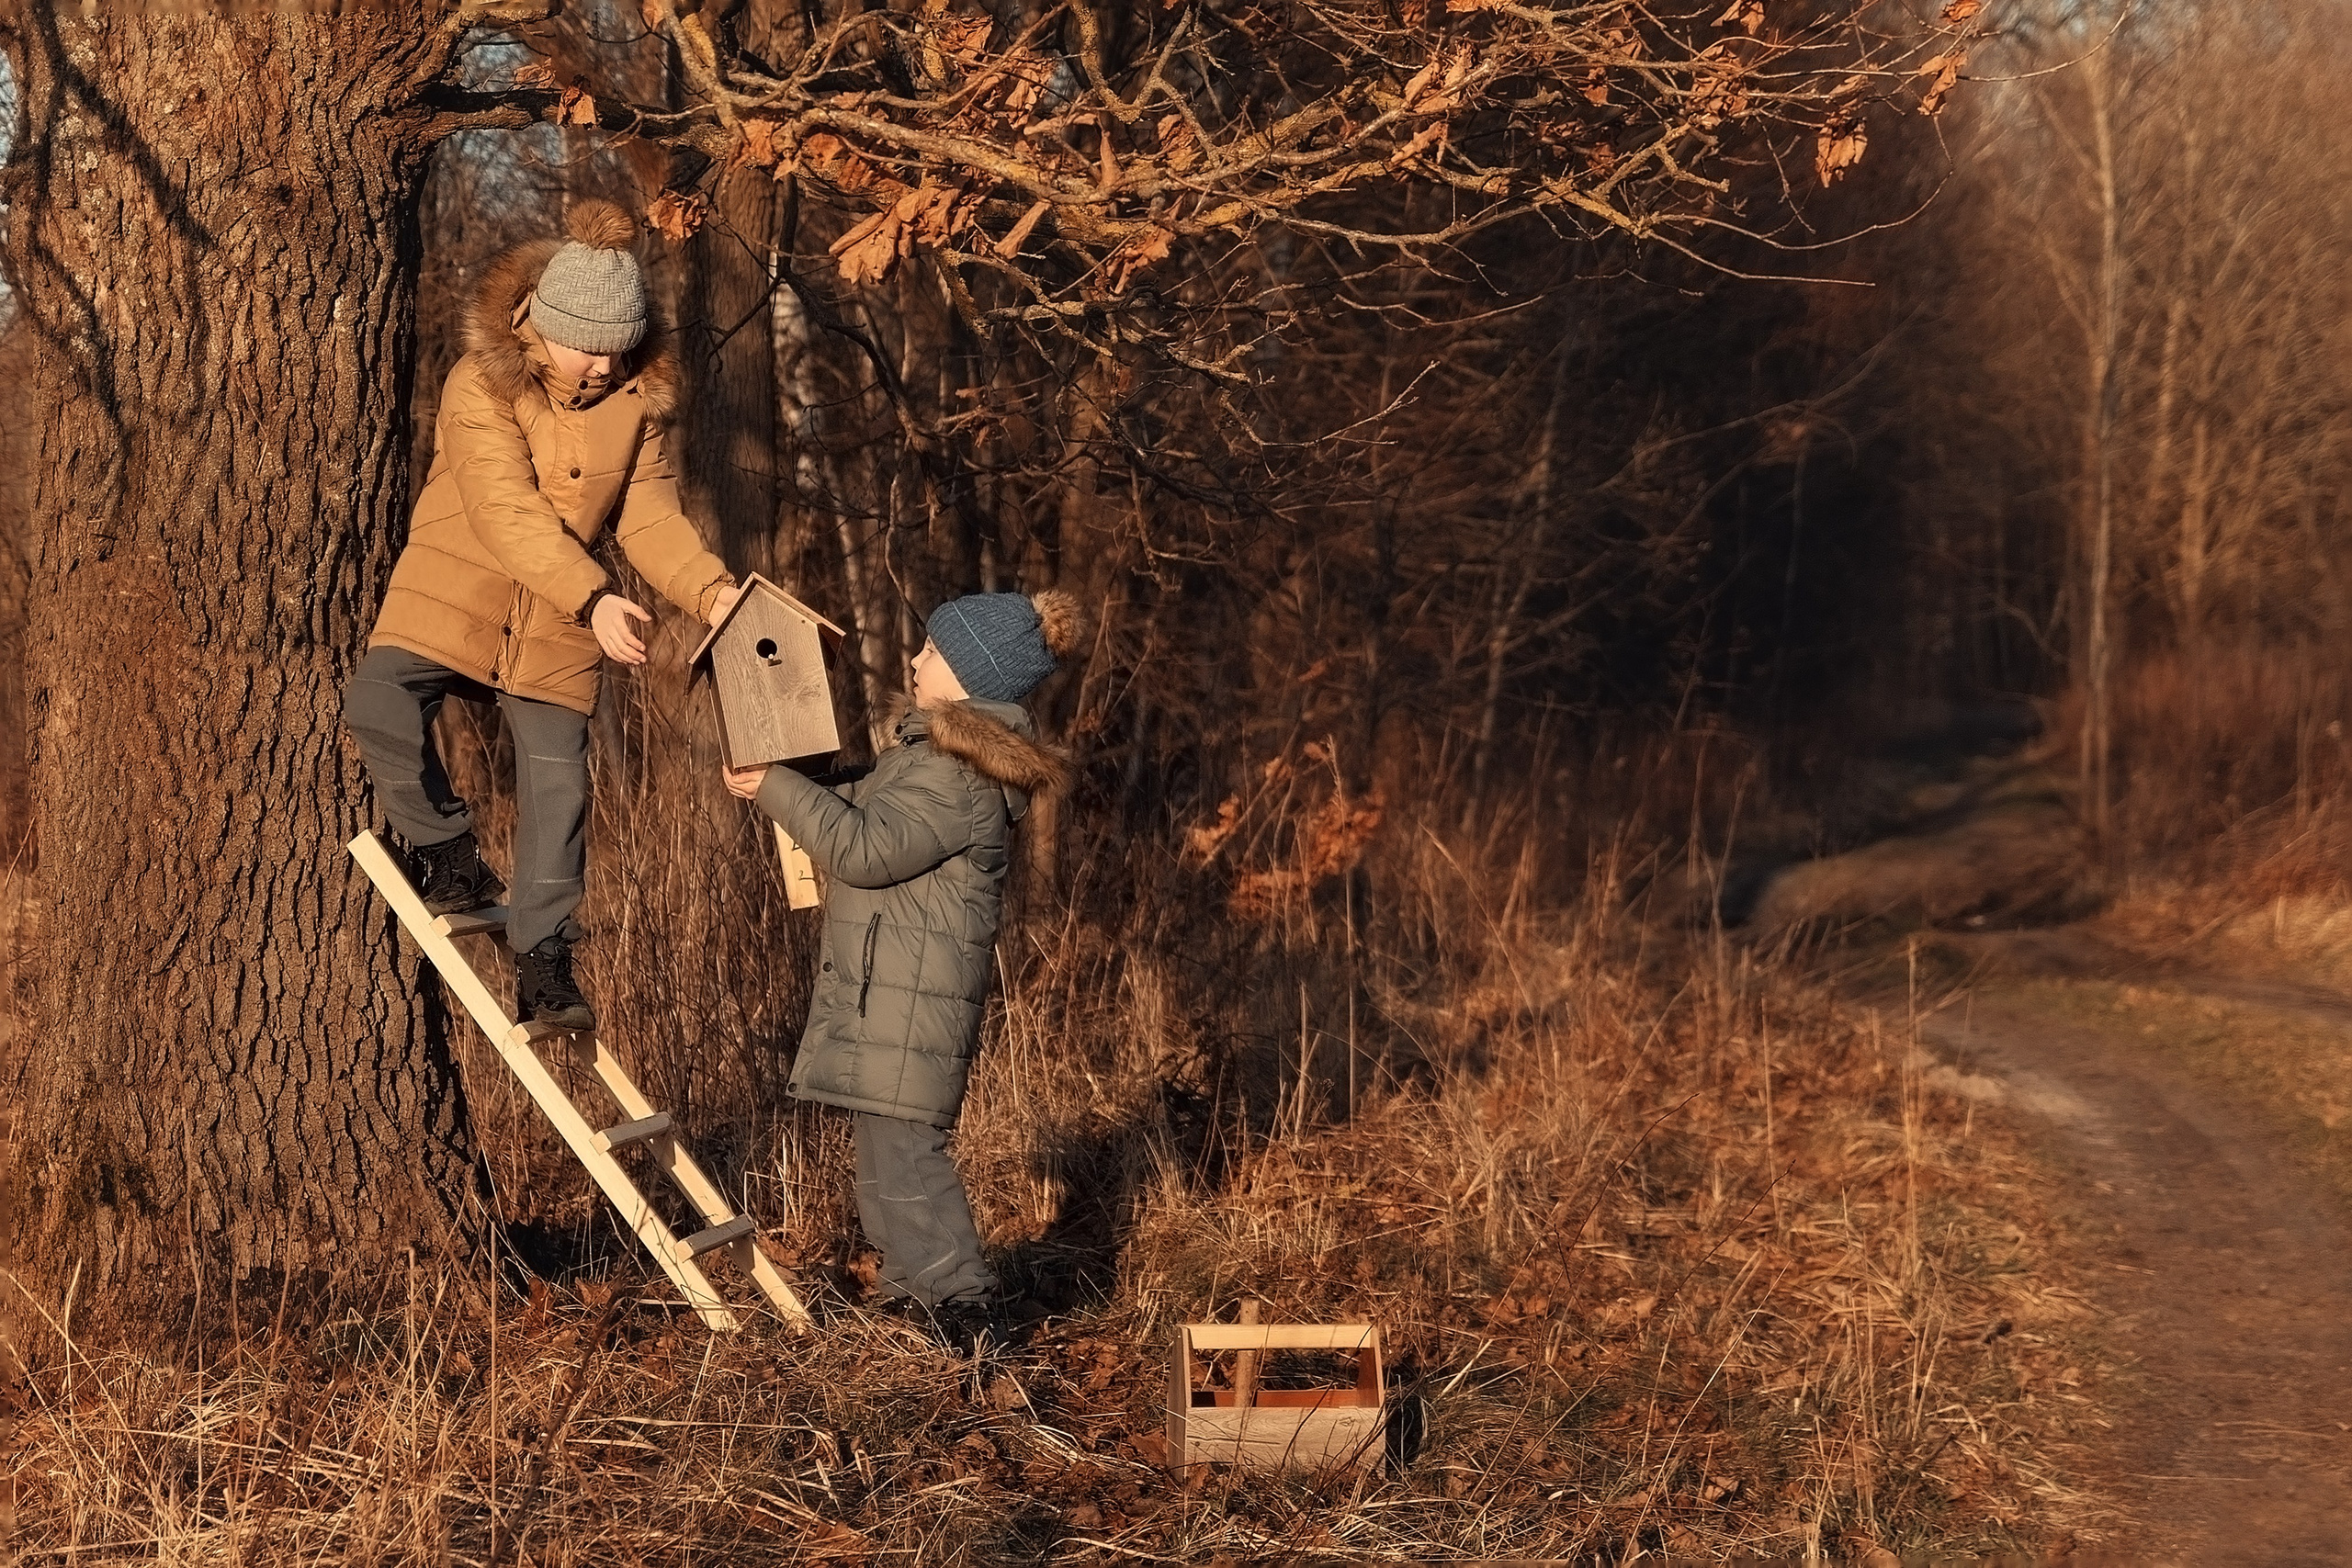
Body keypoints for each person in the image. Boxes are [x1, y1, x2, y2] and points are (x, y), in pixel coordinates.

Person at [346, 198, 740, 1032]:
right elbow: (502, 508)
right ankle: (449, 849)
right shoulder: (481, 380)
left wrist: (714, 594)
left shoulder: (636, 407)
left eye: (618, 348)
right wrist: (595, 595)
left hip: (563, 623)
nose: (602, 366)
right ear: (544, 326)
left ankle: (547, 966)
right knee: (379, 702)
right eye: (587, 347)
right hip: (461, 583)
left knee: (559, 791)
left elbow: (652, 519)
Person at [723, 590, 1082, 1350]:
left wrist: (776, 787)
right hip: (895, 999)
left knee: (911, 1158)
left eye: (933, 652)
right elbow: (870, 807)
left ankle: (965, 1305)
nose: (915, 660)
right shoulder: (932, 761)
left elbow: (864, 849)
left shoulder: (961, 776)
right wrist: (794, 779)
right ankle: (913, 1297)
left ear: (972, 675)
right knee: (884, 1165)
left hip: (914, 1007)